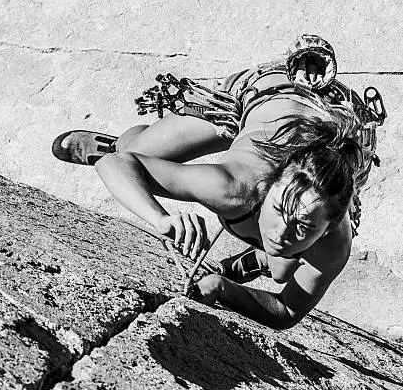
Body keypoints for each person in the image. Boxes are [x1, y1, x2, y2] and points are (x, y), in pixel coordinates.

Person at [52, 35, 385, 330]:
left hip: (344, 121)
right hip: (270, 91)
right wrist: (161, 218)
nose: (280, 231)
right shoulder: (232, 187)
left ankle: (257, 260)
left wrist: (225, 288)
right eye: (280, 208)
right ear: (268, 187)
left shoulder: (333, 243)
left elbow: (286, 311)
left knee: (285, 270)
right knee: (131, 152)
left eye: (302, 227)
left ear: (327, 229)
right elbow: (115, 165)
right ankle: (122, 140)